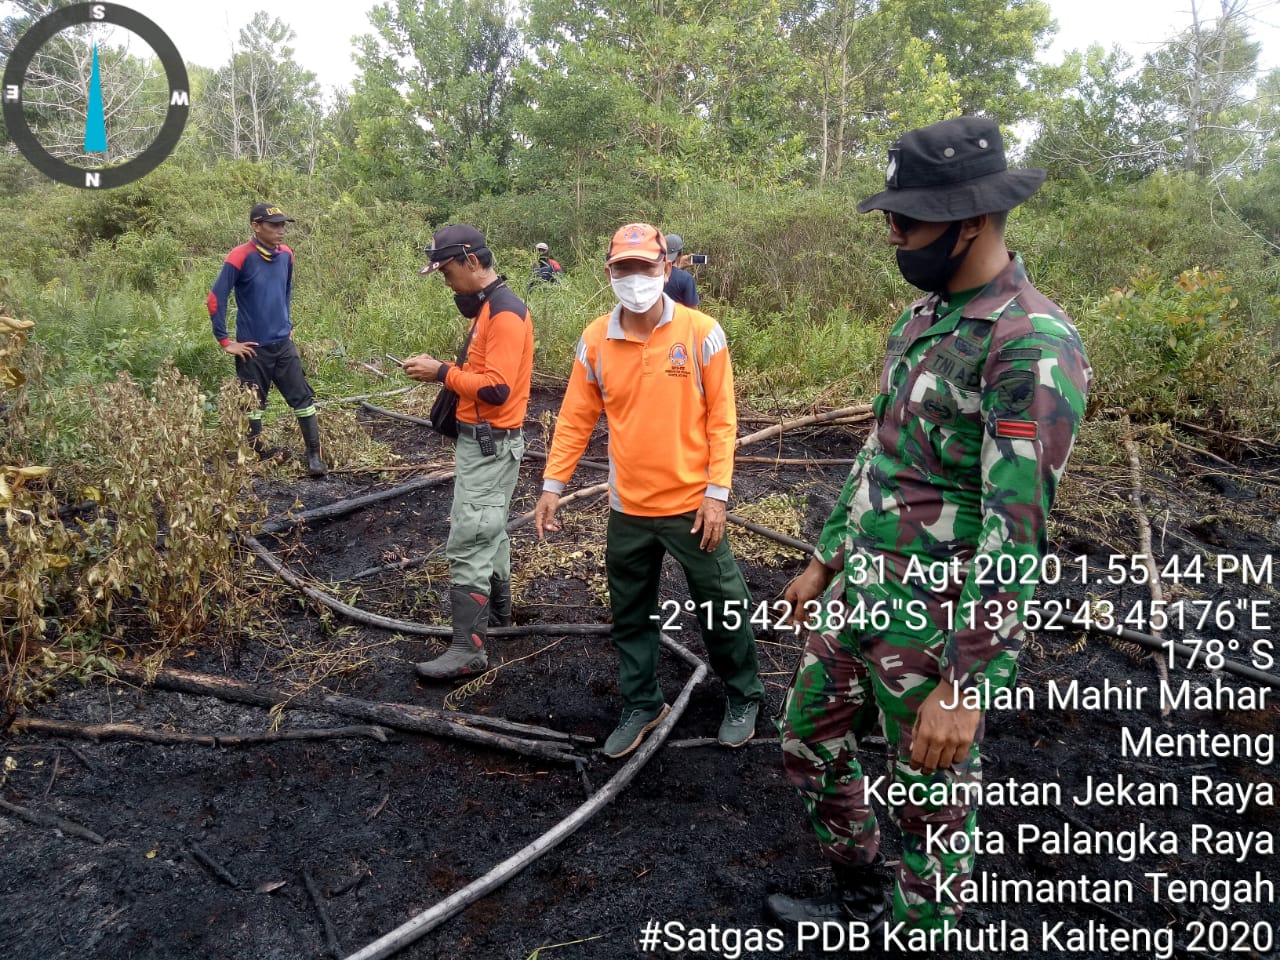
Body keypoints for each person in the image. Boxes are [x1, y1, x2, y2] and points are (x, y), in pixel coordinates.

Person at [765, 117, 1091, 938]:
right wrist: (822, 561)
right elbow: (879, 458)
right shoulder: (918, 321)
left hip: (938, 629)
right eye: (890, 219)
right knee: (806, 744)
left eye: (907, 222)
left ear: (971, 220)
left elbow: (1016, 529)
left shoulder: (1031, 344)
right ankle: (861, 892)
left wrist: (965, 687)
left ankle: (921, 932)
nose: (893, 236)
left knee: (931, 811)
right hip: (863, 597)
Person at [533, 223, 764, 758]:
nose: (635, 278)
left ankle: (744, 694)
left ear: (666, 268)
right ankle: (642, 702)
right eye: (624, 268)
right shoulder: (595, 339)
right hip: (628, 507)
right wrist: (552, 485)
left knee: (721, 604)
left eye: (645, 267)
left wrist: (717, 494)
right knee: (631, 611)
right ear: (609, 272)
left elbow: (722, 421)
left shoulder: (702, 333)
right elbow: (574, 418)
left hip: (691, 505)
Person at [406, 224, 535, 680]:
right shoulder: (488, 309)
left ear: (472, 262)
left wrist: (441, 372)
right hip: (486, 442)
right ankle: (499, 617)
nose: (446, 282)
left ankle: (468, 648)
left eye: (447, 272)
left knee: (470, 538)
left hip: (490, 443)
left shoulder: (504, 313)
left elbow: (497, 388)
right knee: (491, 529)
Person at [208, 202, 326, 477]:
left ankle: (313, 455)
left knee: (303, 399)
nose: (281, 230)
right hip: (252, 349)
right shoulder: (240, 257)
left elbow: (285, 291)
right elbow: (215, 298)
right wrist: (225, 341)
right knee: (253, 406)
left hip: (283, 344)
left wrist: (287, 322)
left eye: (283, 225)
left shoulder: (286, 255)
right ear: (255, 226)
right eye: (274, 225)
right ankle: (259, 452)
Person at [662, 233, 699, 307]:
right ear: (680, 254)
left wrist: (679, 266)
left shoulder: (652, 274)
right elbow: (693, 311)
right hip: (678, 318)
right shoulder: (686, 278)